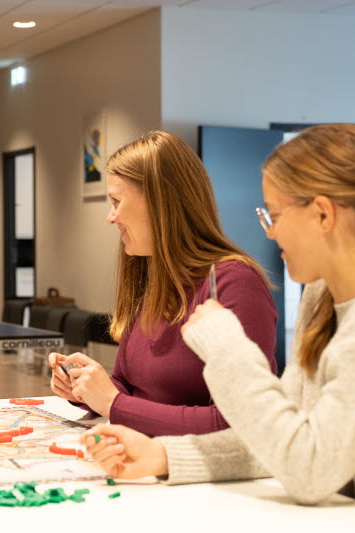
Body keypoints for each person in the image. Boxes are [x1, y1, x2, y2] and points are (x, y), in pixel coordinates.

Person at [82, 124, 355, 532]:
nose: (270, 231)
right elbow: (283, 436)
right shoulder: (322, 295)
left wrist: (228, 350)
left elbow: (308, 470)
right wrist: (162, 456)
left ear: (323, 214)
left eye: (275, 215)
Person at [47, 130, 278, 437]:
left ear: (161, 203)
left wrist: (113, 403)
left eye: (116, 201)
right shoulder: (153, 274)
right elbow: (130, 387)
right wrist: (86, 388)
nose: (110, 217)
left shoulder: (234, 282)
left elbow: (234, 425)